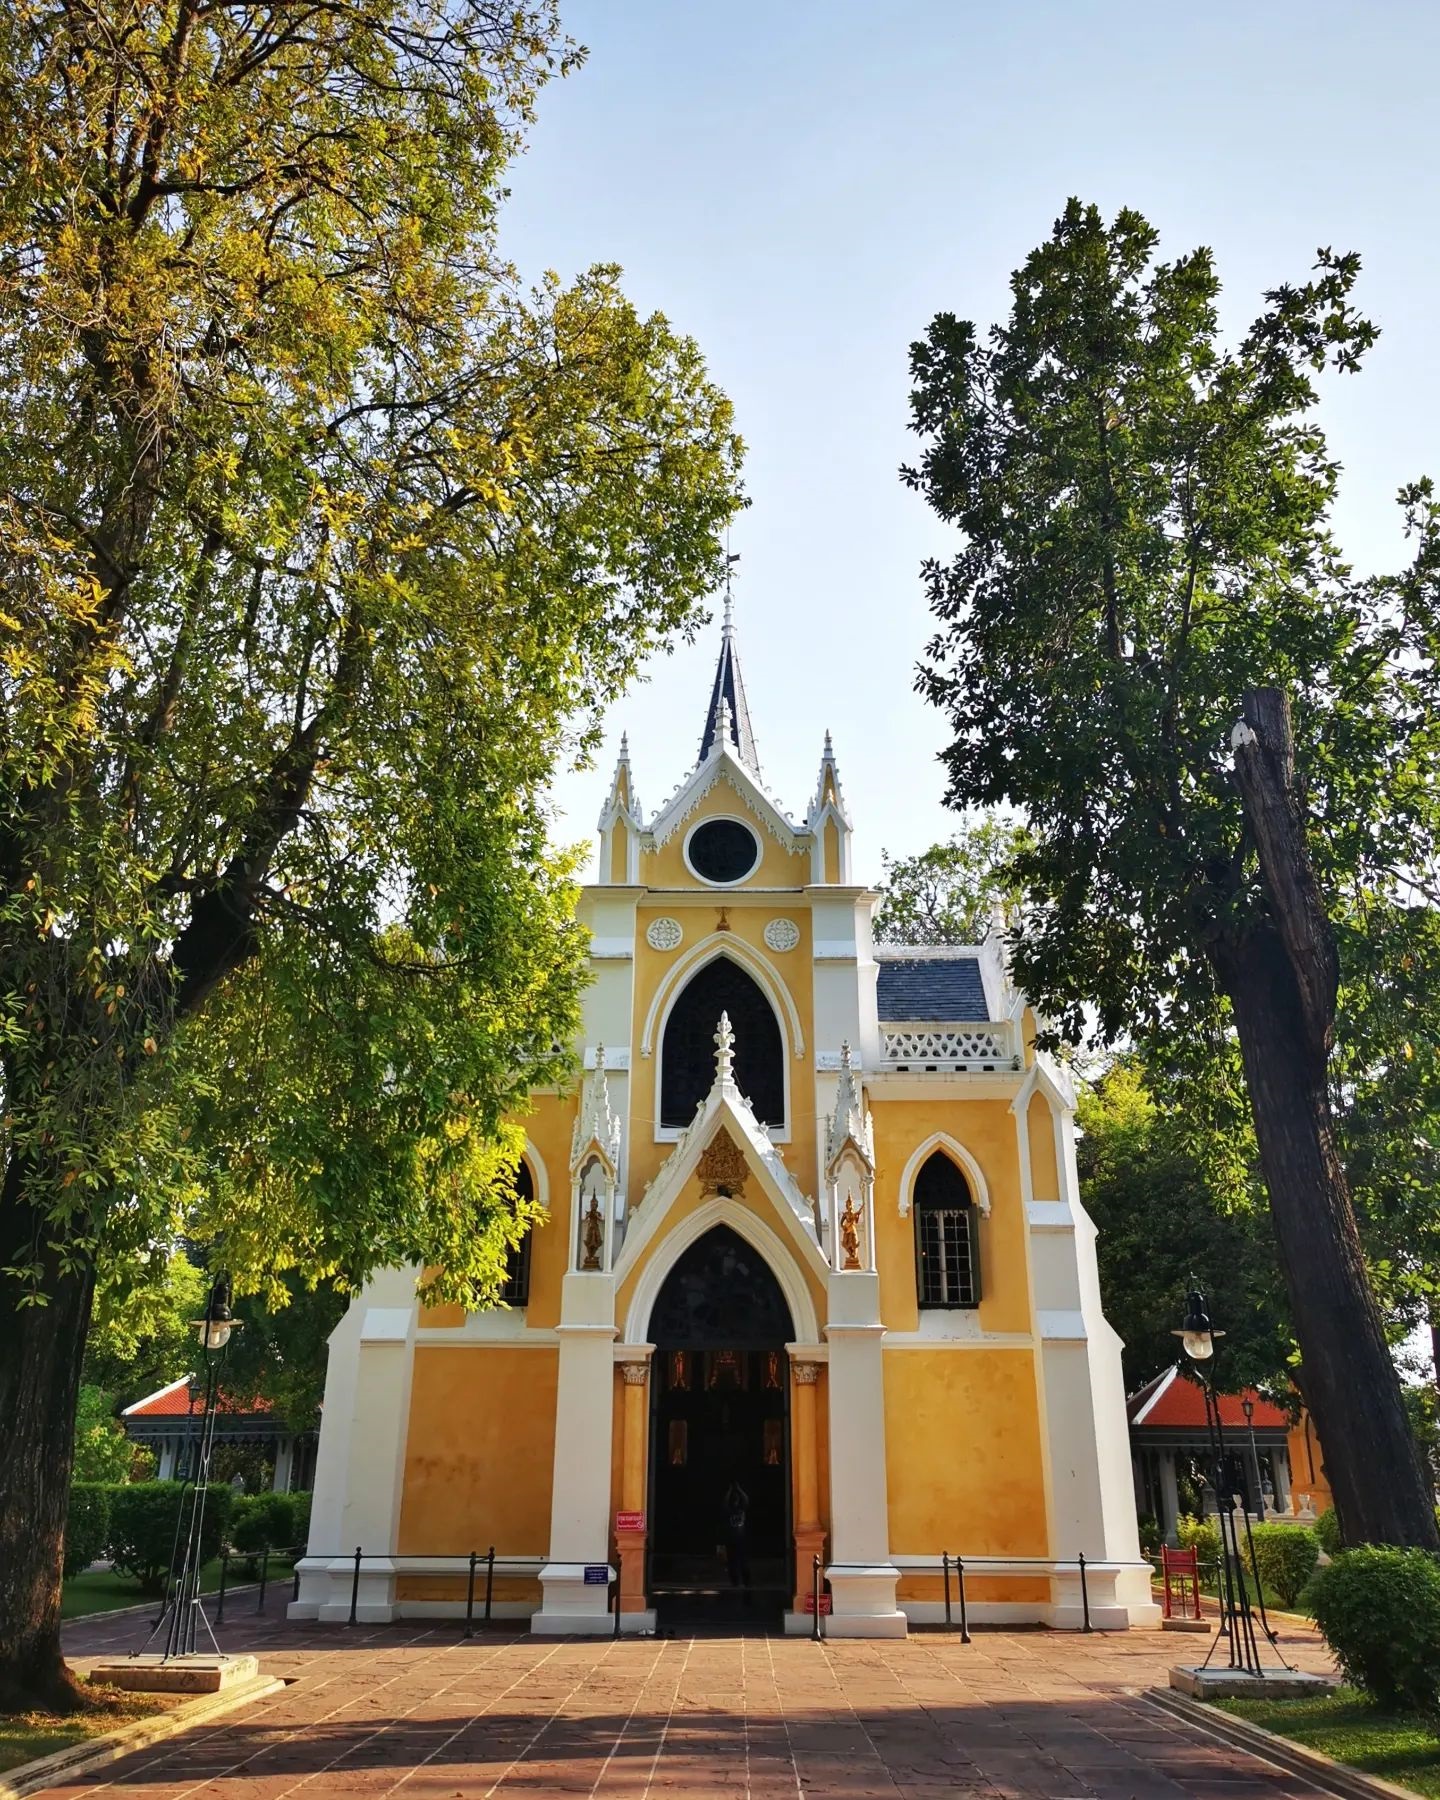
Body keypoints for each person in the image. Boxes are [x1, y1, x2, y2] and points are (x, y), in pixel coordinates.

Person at [723, 1478, 750, 1588]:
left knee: (743, 1561)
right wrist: (730, 1491)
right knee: (732, 1562)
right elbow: (725, 1503)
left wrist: (739, 1489)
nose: (736, 1501)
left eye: (737, 1499)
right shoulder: (729, 1510)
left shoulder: (741, 1509)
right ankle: (735, 1582)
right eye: (734, 1500)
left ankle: (745, 1582)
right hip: (731, 1539)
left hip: (742, 1539)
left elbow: (746, 1499)